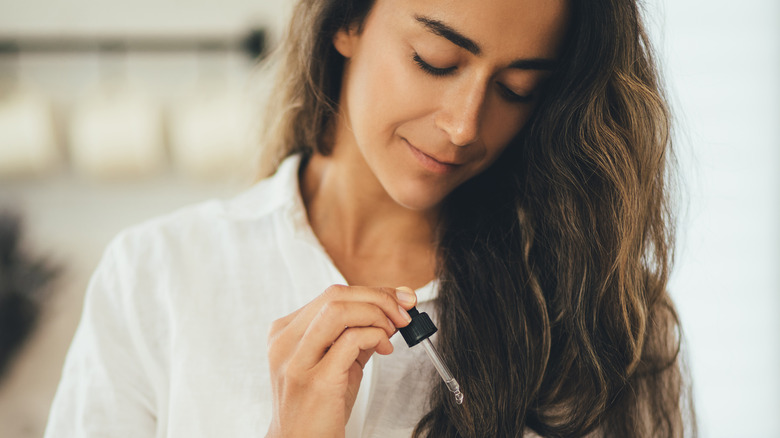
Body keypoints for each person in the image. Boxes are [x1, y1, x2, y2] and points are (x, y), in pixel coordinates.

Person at [45, 0, 695, 436]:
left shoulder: (607, 323)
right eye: (435, 61)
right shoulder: (157, 276)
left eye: (516, 89)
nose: (464, 125)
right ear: (349, 19)